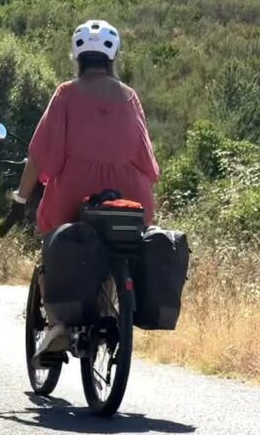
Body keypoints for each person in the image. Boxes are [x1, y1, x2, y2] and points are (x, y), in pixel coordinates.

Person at [12, 20, 159, 358]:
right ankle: (109, 308)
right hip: (129, 194)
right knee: (119, 242)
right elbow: (147, 162)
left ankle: (58, 326)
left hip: (75, 192)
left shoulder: (66, 94)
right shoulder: (131, 98)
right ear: (113, 57)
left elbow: (40, 155)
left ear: (77, 57)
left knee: (54, 240)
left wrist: (20, 198)